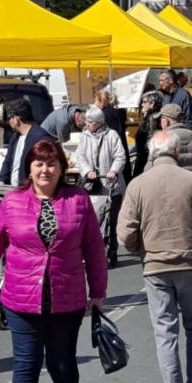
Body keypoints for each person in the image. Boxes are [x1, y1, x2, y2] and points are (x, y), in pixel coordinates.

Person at [0, 140, 106, 383]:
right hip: (21, 299)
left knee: (61, 363)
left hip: (66, 297)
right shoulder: (13, 202)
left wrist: (98, 292)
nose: (45, 170)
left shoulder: (78, 201)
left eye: (52, 164)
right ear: (29, 168)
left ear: (62, 168)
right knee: (26, 364)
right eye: (39, 164)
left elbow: (94, 249)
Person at [119, 130, 192, 383]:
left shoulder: (137, 185)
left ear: (152, 153)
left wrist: (143, 250)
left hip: (155, 267)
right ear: (177, 153)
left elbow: (124, 234)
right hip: (191, 264)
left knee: (165, 332)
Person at [73, 107, 127, 267]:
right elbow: (80, 156)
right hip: (93, 185)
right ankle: (95, 250)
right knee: (94, 219)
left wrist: (113, 170)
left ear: (99, 123)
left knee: (112, 218)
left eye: (90, 123)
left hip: (111, 185)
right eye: (87, 122)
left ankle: (112, 249)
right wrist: (87, 171)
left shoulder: (112, 135)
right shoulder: (84, 136)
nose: (87, 125)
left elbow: (120, 156)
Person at [0, 100, 56, 187]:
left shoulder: (41, 137)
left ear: (16, 119)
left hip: (31, 190)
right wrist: (1, 180)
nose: (9, 122)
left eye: (9, 119)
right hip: (13, 190)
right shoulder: (15, 137)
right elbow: (8, 161)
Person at [149, 104, 192, 178]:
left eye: (161, 119)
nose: (160, 122)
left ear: (166, 120)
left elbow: (150, 166)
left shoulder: (160, 139)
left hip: (170, 183)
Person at [133, 92, 164, 178]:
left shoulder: (153, 117)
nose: (142, 105)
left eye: (144, 102)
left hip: (146, 156)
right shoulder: (153, 115)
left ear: (152, 103)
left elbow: (151, 138)